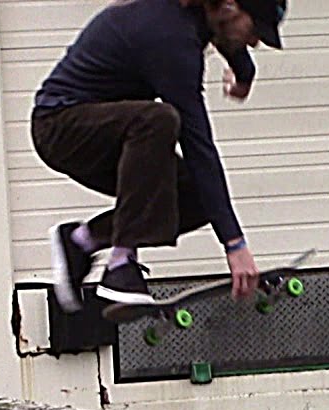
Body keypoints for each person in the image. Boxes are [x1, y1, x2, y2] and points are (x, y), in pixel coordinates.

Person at [30, 0, 287, 312]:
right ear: (230, 6)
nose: (254, 42)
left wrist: (244, 73)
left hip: (113, 137)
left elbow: (227, 38)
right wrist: (235, 245)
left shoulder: (202, 14)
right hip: (61, 128)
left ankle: (82, 240)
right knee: (158, 120)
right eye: (254, 29)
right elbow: (198, 147)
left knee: (198, 196)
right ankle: (121, 263)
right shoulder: (170, 37)